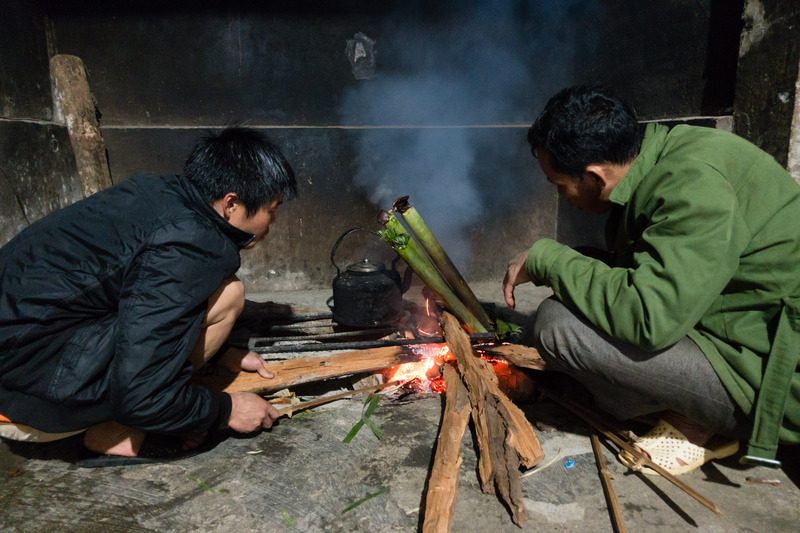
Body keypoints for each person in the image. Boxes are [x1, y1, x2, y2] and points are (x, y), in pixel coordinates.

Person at [503, 85, 800, 476]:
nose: (563, 196)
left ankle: (703, 420)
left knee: (560, 328)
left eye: (560, 186)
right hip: (733, 329)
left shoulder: (693, 186)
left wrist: (548, 259)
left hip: (765, 382)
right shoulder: (665, 154)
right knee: (585, 270)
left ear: (595, 176)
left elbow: (650, 320)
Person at [0, 126, 297, 461]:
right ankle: (115, 433)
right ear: (231, 203)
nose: (271, 222)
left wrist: (220, 352)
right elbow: (138, 394)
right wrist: (225, 409)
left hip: (22, 352)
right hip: (26, 394)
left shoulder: (156, 193)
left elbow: (144, 298)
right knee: (230, 296)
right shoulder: (188, 245)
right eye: (271, 210)